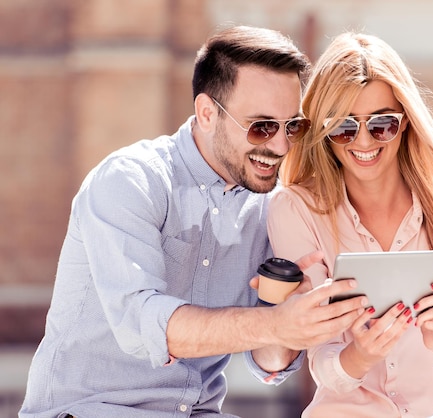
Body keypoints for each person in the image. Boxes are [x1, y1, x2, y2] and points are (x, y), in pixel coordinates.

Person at [19, 26, 368, 418]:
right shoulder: (130, 181)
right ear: (206, 113)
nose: (281, 146)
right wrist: (271, 323)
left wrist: (287, 312)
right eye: (262, 126)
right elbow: (145, 324)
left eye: (293, 126)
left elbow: (269, 362)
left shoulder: (271, 206)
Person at [267, 32, 433, 418]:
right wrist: (359, 356)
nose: (363, 141)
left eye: (382, 124)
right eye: (342, 126)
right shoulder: (295, 209)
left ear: (405, 122)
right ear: (323, 130)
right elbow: (321, 362)